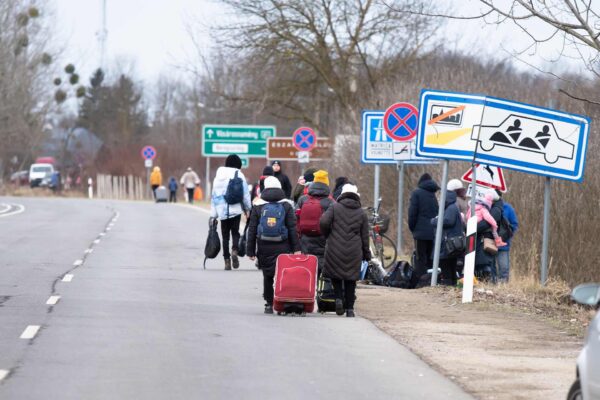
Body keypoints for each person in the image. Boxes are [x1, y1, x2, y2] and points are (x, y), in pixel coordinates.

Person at [246, 176, 300, 314]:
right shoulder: (287, 205)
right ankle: (282, 302)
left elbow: (252, 229)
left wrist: (250, 251)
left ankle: (269, 304)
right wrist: (296, 249)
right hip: (283, 245)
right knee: (283, 274)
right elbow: (293, 228)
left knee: (267, 275)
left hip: (263, 245)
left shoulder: (258, 205)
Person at [320, 184, 371, 318]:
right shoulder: (361, 213)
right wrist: (367, 254)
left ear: (342, 194)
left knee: (336, 275)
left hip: (334, 247)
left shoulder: (334, 207)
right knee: (350, 279)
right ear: (356, 196)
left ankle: (338, 299)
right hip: (354, 250)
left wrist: (328, 235)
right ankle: (350, 309)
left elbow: (324, 222)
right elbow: (365, 237)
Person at [210, 155, 252, 270]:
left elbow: (214, 196)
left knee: (225, 236)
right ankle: (234, 250)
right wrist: (247, 209)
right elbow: (245, 195)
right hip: (235, 209)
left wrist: (213, 215)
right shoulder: (239, 174)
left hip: (222, 211)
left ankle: (226, 260)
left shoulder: (217, 177)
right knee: (235, 232)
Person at [295, 170, 334, 274]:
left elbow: (295, 219)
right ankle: (321, 288)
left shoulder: (303, 199)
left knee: (307, 269)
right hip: (323, 240)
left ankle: (310, 288)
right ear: (327, 184)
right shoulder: (331, 202)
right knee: (322, 267)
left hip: (304, 240)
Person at [408, 173, 440, 288]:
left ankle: (421, 283)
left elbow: (412, 213)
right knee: (431, 257)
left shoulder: (416, 193)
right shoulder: (433, 195)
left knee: (420, 258)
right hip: (433, 232)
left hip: (420, 232)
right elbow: (437, 212)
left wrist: (412, 228)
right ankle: (431, 282)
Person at [431, 190, 463, 286]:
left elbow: (447, 221)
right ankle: (452, 284)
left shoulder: (451, 208)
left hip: (448, 244)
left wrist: (434, 221)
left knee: (446, 265)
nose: (439, 201)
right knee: (451, 265)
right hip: (451, 243)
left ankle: (447, 285)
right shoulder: (452, 207)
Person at [474, 190, 504, 282]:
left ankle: (489, 282)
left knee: (486, 262)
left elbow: (487, 223)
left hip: (487, 238)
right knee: (485, 262)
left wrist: (473, 228)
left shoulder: (495, 210)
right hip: (486, 237)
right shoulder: (494, 207)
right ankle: (488, 281)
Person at [496, 191, 519, 283]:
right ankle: (491, 286)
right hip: (488, 243)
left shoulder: (508, 208)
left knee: (504, 269)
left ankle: (503, 287)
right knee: (490, 269)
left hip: (503, 245)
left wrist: (506, 235)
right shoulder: (488, 206)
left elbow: (514, 224)